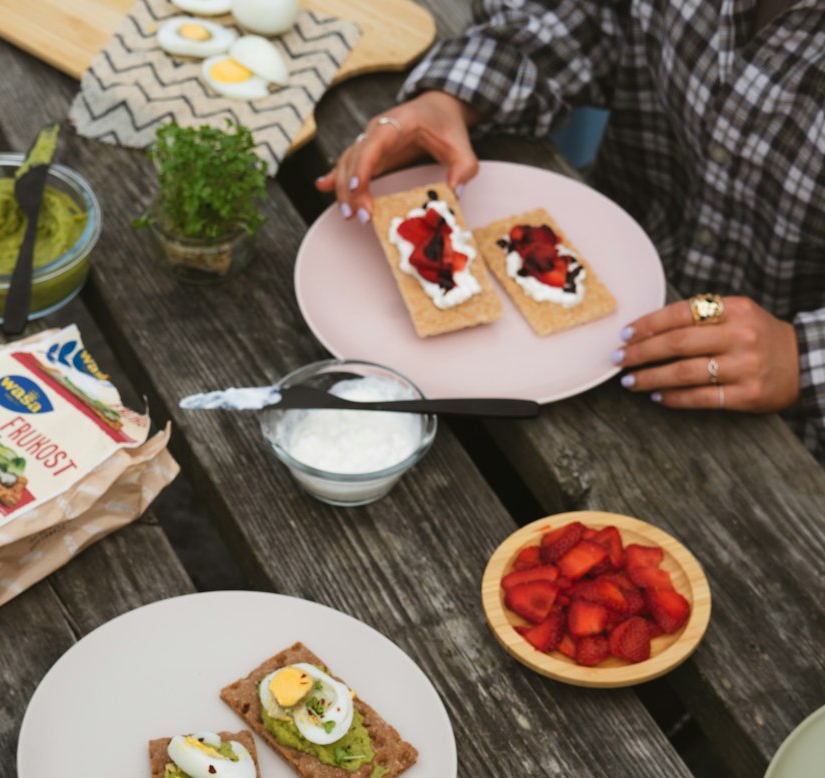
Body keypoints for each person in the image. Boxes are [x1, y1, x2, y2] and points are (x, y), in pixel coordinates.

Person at [316, 0, 824, 463]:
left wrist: (802, 357)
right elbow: (589, 18)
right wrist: (454, 97)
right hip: (593, 344)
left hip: (782, 451)